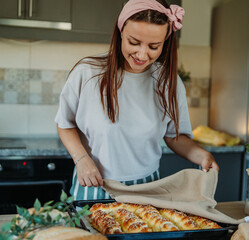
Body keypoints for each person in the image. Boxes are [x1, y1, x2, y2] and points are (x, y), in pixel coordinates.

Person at [55, 0, 219, 200]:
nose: (142, 54)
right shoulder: (87, 72)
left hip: (147, 190)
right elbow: (64, 124)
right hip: (94, 184)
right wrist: (81, 159)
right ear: (121, 32)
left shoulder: (169, 82)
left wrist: (203, 156)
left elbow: (174, 137)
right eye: (134, 42)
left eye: (154, 46)